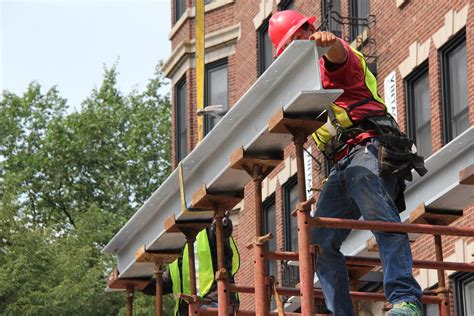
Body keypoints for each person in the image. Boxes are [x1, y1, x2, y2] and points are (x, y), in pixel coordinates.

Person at [269, 10, 427, 316]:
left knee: (379, 216)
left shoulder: (330, 57)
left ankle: (406, 299)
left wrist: (328, 44)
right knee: (319, 242)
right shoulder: (302, 86)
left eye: (299, 38)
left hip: (369, 146)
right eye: (289, 46)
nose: (297, 48)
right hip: (343, 164)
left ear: (309, 29)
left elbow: (338, 55)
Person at [142, 215, 240, 315]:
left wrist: (223, 224)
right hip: (189, 309)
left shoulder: (207, 226)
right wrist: (139, 281)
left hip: (214, 301)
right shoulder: (176, 250)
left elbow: (223, 232)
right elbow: (167, 282)